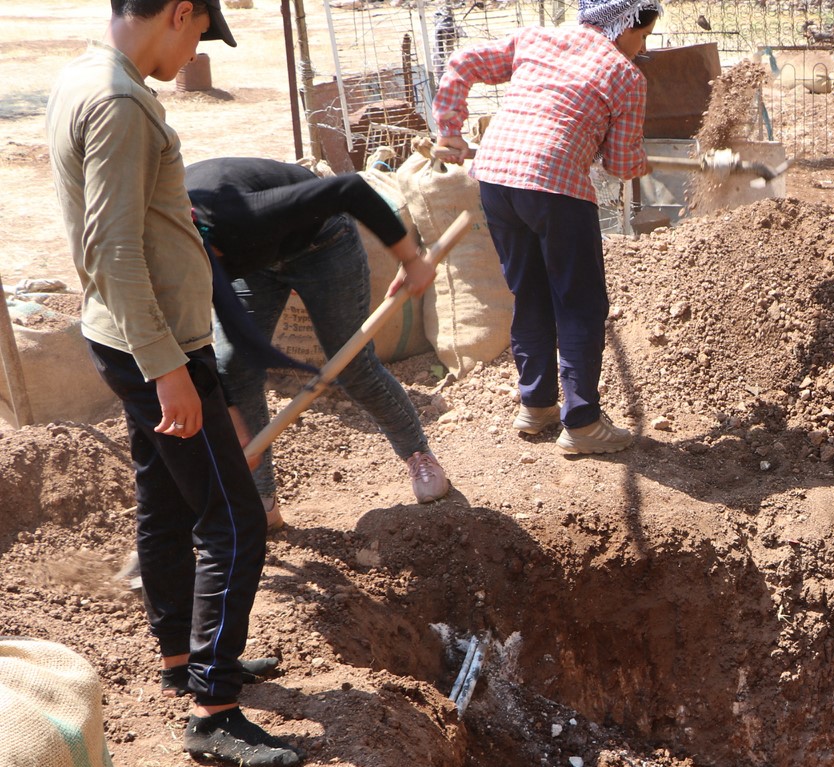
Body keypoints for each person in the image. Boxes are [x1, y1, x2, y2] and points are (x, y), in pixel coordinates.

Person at [47, 0, 299, 767]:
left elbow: (117, 230)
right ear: (180, 12)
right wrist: (169, 370)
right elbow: (113, 248)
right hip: (153, 342)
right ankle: (214, 710)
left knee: (163, 496)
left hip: (124, 333)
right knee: (235, 520)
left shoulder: (89, 76)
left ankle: (179, 657)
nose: (192, 52)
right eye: (197, 34)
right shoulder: (122, 100)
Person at [431, 0, 658, 455]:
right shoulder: (626, 76)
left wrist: (449, 130)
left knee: (529, 292)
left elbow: (463, 61)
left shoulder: (536, 38)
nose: (642, 47)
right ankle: (583, 423)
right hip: (555, 188)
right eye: (644, 36)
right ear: (625, 25)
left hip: (497, 179)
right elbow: (620, 164)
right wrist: (640, 163)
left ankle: (536, 406)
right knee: (579, 303)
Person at [186, 157, 450, 527]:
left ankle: (419, 455)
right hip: (254, 264)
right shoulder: (177, 256)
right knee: (233, 367)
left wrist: (410, 258)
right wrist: (232, 417)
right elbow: (190, 345)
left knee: (354, 365)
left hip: (323, 243)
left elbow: (349, 188)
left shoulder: (237, 216)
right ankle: (260, 500)